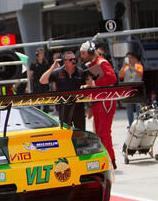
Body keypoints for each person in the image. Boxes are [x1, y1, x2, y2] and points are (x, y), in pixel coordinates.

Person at [80, 41, 118, 169]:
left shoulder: (102, 63)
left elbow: (112, 79)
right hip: (98, 101)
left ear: (91, 52)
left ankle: (111, 161)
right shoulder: (91, 65)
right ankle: (106, 159)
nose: (82, 56)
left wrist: (94, 84)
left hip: (106, 101)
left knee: (104, 132)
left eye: (84, 53)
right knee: (98, 133)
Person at [40, 51, 86, 130]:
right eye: (70, 60)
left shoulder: (81, 72)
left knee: (81, 132)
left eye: (74, 59)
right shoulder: (58, 72)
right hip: (64, 108)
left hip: (78, 108)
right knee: (65, 133)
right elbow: (42, 81)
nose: (74, 61)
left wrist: (90, 107)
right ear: (64, 61)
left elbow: (87, 87)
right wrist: (52, 68)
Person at [118, 52, 144, 126]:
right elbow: (120, 75)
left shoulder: (138, 66)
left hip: (137, 89)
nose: (128, 59)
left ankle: (140, 124)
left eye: (130, 58)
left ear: (134, 58)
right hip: (128, 90)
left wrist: (130, 66)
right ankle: (131, 124)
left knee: (139, 108)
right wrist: (123, 67)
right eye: (127, 58)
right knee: (129, 109)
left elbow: (140, 73)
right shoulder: (125, 68)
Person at [30, 47, 51, 112]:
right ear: (37, 54)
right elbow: (30, 74)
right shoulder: (33, 64)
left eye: (43, 53)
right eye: (40, 53)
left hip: (45, 83)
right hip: (37, 84)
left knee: (46, 99)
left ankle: (46, 111)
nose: (42, 54)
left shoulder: (46, 62)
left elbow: (50, 72)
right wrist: (29, 86)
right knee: (37, 101)